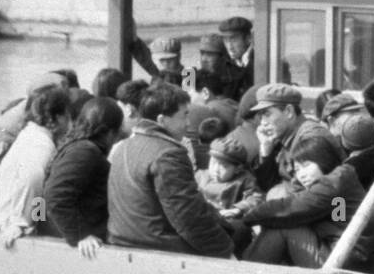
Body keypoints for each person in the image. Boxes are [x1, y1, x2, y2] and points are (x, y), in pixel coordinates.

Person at [107, 82, 236, 258]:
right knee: (238, 232)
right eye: (184, 115)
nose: (189, 124)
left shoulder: (123, 147)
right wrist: (226, 250)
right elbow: (188, 218)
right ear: (162, 120)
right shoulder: (168, 154)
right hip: (157, 248)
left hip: (122, 240)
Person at [242, 136, 374, 273]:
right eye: (297, 170)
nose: (301, 174)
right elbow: (337, 220)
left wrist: (247, 217)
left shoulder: (337, 182)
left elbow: (291, 206)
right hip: (342, 256)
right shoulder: (337, 192)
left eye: (306, 166)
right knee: (280, 222)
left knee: (283, 226)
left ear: (323, 160)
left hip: (346, 265)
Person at [0, 87, 71, 248]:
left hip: (4, 219)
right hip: (18, 228)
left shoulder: (27, 135)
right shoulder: (42, 145)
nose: (70, 120)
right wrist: (24, 221)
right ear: (57, 117)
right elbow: (34, 179)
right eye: (67, 115)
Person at [45, 98, 124, 258]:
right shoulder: (85, 151)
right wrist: (80, 234)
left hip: (69, 236)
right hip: (83, 245)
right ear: (110, 133)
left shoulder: (76, 145)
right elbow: (54, 195)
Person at [250, 83, 341, 195]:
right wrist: (266, 150)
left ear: (289, 112)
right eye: (261, 116)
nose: (262, 123)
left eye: (267, 114)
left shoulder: (311, 138)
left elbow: (315, 194)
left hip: (336, 208)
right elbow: (268, 185)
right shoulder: (284, 136)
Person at [195, 135, 264, 221]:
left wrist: (238, 209)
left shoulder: (244, 180)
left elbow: (256, 198)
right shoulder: (200, 176)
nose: (216, 169)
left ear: (238, 169)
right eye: (213, 162)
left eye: (224, 166)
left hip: (227, 220)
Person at [219, 16, 255, 98]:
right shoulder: (222, 64)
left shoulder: (261, 62)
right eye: (226, 40)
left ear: (248, 38)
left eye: (234, 40)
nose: (229, 47)